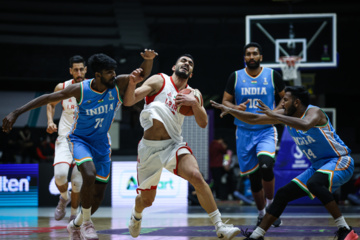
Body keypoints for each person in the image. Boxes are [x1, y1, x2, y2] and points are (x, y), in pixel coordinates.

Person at [2, 49, 158, 240]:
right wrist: (16, 113)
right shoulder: (81, 89)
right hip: (80, 140)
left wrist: (148, 60)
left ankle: (75, 224)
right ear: (98, 75)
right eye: (109, 72)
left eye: (114, 71)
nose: (114, 75)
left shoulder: (117, 84)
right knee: (89, 174)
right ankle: (86, 224)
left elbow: (141, 74)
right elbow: (48, 98)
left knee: (98, 196)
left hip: (101, 143)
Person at [211, 86, 358, 240]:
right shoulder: (285, 114)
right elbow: (254, 118)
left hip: (340, 160)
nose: (282, 104)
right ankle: (256, 236)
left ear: (297, 102)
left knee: (314, 183)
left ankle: (345, 229)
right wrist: (232, 111)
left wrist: (275, 116)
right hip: (318, 166)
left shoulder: (314, 112)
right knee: (283, 194)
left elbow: (305, 124)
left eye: (285, 100)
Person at [123, 54, 241, 240]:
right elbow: (129, 101)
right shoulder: (159, 80)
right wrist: (132, 83)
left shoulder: (194, 94)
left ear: (191, 73)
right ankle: (136, 215)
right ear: (174, 66)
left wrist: (195, 104)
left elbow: (203, 123)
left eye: (190, 63)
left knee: (196, 176)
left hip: (173, 144)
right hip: (149, 148)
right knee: (146, 200)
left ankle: (220, 226)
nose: (186, 63)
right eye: (183, 61)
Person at [222, 42, 285, 227]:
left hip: (266, 130)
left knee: (266, 166)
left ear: (260, 57)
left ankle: (272, 208)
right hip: (243, 132)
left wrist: (275, 111)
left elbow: (285, 97)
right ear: (244, 58)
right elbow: (226, 101)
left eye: (255, 54)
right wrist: (235, 107)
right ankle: (261, 213)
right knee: (254, 178)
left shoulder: (273, 75)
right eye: (248, 54)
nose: (251, 57)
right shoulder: (235, 76)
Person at [46, 55, 87, 223]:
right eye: (75, 70)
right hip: (65, 138)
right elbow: (50, 104)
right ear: (71, 71)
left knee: (77, 181)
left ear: (86, 70)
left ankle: (73, 216)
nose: (78, 72)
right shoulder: (62, 87)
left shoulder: (93, 87)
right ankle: (64, 198)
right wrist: (50, 121)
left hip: (85, 140)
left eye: (81, 69)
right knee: (61, 176)